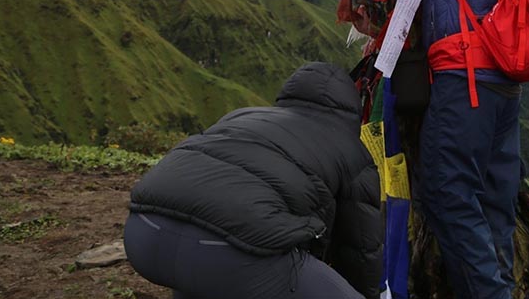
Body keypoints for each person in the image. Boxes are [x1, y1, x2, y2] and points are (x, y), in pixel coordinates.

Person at [385, 0, 523, 299]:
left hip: (466, 86)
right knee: (494, 205)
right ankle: (503, 285)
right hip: (504, 90)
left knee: (447, 195)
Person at [123, 62, 382, 299]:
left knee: (203, 275)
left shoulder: (242, 115)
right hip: (228, 256)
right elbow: (359, 248)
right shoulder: (352, 150)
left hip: (142, 233)